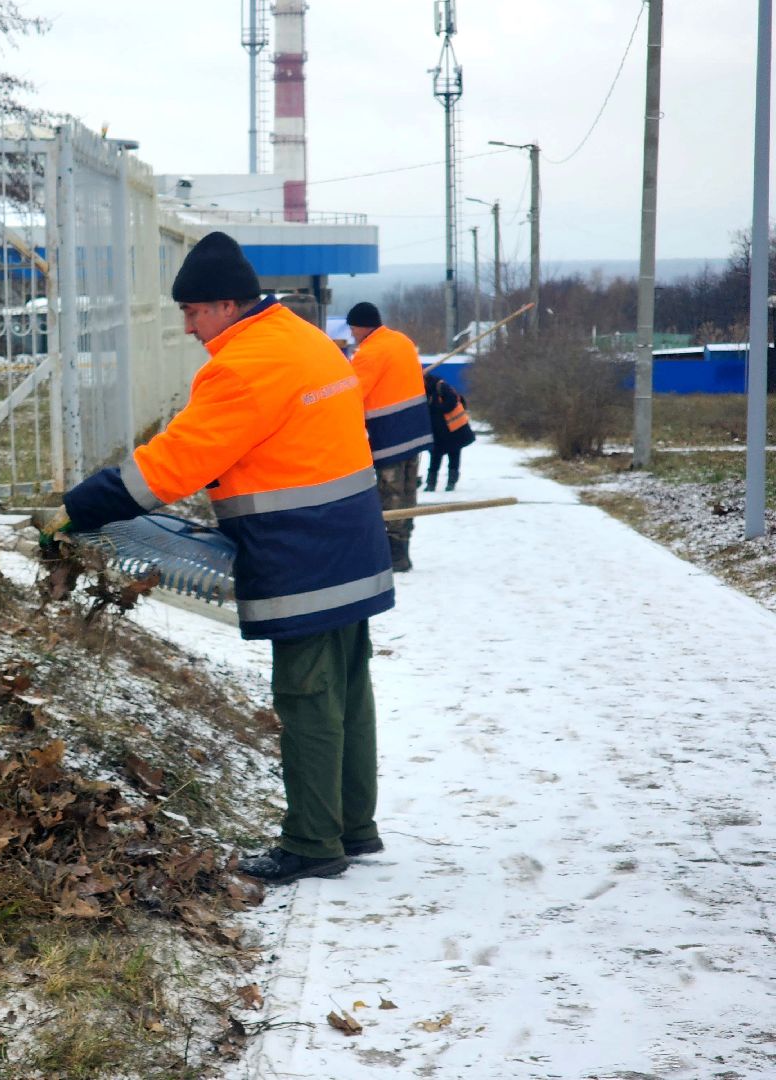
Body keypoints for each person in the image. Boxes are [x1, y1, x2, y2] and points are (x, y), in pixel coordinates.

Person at [47, 232, 393, 885]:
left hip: (303, 552)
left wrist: (83, 506)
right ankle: (353, 824)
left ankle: (314, 843)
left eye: (194, 312)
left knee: (307, 693)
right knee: (349, 682)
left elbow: (174, 463)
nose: (187, 326)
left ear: (229, 305)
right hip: (351, 536)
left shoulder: (243, 365)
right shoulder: (302, 338)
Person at [344, 302, 432, 572]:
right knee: (407, 491)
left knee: (390, 493)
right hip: (415, 427)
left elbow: (352, 395)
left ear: (360, 326)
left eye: (353, 329)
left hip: (389, 433)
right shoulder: (402, 341)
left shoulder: (369, 353)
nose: (352, 335)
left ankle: (394, 554)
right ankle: (402, 547)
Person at [424, 372, 475, 491]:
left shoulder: (441, 387)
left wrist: (435, 409)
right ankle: (431, 484)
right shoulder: (425, 392)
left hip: (453, 430)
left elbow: (451, 403)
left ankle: (451, 482)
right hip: (437, 432)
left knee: (453, 456)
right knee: (435, 457)